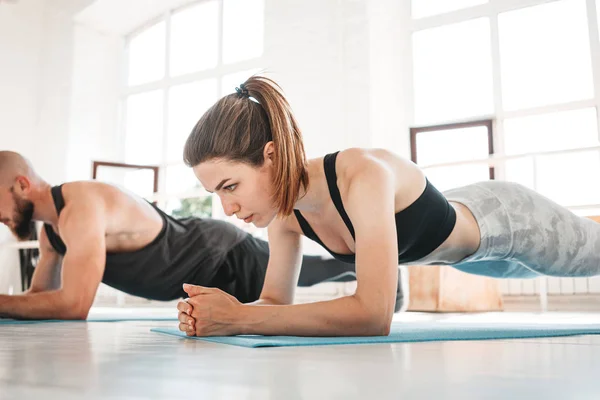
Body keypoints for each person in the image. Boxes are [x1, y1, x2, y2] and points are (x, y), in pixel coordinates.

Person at [176, 75, 600, 337]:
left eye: (231, 186)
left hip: (508, 222)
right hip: (467, 259)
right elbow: (274, 305)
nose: (229, 209)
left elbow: (374, 314)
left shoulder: (362, 174)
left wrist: (240, 321)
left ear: (270, 156)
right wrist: (218, 312)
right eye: (217, 194)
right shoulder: (286, 216)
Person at [0, 151, 397, 320]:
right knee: (308, 275)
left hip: (221, 253)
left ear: (21, 184)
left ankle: (388, 275)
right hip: (204, 271)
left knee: (312, 272)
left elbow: (73, 306)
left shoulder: (81, 203)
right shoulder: (53, 234)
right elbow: (39, 302)